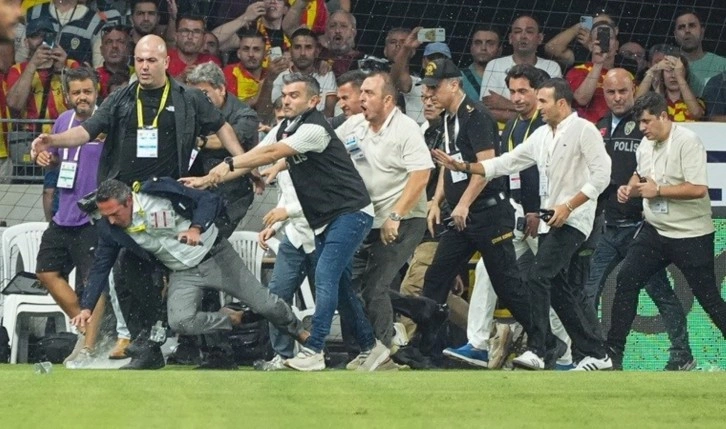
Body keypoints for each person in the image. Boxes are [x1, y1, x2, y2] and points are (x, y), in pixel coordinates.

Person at [30, 34, 246, 370]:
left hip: (171, 204)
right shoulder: (120, 99)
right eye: (139, 60)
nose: (144, 66)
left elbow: (222, 126)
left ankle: (217, 349)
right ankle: (147, 345)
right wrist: (52, 140)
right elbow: (87, 131)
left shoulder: (187, 97)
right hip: (130, 207)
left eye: (151, 60)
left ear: (165, 62)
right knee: (128, 274)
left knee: (193, 270)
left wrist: (243, 162)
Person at [181, 73, 390, 372]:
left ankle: (314, 350)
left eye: (295, 95)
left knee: (325, 276)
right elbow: (255, 157)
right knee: (340, 284)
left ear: (314, 101)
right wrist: (206, 179)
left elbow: (270, 153)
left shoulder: (315, 129)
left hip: (351, 212)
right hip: (322, 218)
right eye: (285, 95)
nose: (287, 100)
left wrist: (227, 164)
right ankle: (371, 347)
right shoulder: (284, 127)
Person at [433, 77, 613, 371]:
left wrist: (568, 206)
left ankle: (539, 350)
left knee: (538, 276)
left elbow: (602, 176)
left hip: (575, 219)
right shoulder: (542, 135)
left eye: (543, 101)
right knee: (559, 289)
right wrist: (464, 166)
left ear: (562, 103)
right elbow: (506, 163)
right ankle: (596, 353)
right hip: (550, 220)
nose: (538, 107)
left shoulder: (584, 130)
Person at [72, 178, 309, 370]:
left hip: (216, 257)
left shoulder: (157, 193)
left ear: (128, 201)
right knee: (181, 322)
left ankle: (303, 335)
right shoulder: (110, 228)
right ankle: (233, 319)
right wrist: (86, 307)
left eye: (115, 213)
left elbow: (209, 199)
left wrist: (196, 228)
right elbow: (101, 265)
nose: (112, 221)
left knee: (266, 305)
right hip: (182, 272)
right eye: (106, 216)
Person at [419, 58, 535, 363]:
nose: (429, 94)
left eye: (435, 87)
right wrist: (436, 200)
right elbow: (449, 163)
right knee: (435, 278)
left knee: (507, 285)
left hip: (487, 214)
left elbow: (485, 167)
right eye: (427, 88)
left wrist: (463, 203)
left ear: (454, 84)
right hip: (462, 216)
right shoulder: (448, 117)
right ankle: (425, 349)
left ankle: (545, 342)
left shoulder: (476, 115)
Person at [606, 91, 726, 369]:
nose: (642, 128)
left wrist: (658, 190)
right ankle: (612, 355)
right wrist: (629, 188)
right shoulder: (645, 144)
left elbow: (698, 189)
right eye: (640, 122)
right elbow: (640, 174)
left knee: (709, 299)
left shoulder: (688, 141)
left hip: (691, 234)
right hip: (655, 231)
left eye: (647, 121)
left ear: (663, 116)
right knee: (626, 280)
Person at [585, 69, 694, 370]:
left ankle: (682, 353)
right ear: (603, 93)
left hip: (640, 228)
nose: (617, 98)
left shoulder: (648, 128)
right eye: (611, 92)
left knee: (661, 294)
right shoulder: (599, 127)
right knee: (588, 293)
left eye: (623, 91)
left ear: (634, 89)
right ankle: (591, 352)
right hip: (608, 226)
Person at [335, 71, 431, 355]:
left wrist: (396, 215)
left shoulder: (406, 129)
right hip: (366, 219)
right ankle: (360, 350)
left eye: (369, 93)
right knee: (346, 282)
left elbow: (421, 175)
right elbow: (326, 146)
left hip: (405, 219)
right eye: (361, 92)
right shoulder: (355, 125)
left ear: (388, 100)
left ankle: (381, 350)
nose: (361, 98)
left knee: (375, 286)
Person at [32, 66, 106, 367]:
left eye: (87, 91)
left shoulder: (107, 122)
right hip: (64, 214)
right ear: (67, 95)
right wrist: (45, 158)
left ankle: (88, 349)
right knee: (45, 272)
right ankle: (88, 330)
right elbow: (56, 160)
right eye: (76, 92)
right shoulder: (63, 121)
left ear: (97, 91)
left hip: (94, 217)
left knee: (93, 283)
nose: (82, 97)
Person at [186, 62, 260, 237]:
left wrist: (195, 141)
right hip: (200, 189)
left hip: (234, 194)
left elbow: (224, 140)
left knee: (214, 241)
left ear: (220, 89)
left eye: (204, 94)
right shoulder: (194, 110)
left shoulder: (245, 115)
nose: (199, 100)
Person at [479, 15, 562, 124]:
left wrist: (505, 104)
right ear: (510, 38)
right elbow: (488, 111)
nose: (523, 36)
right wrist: (532, 110)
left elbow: (553, 109)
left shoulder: (552, 67)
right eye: (518, 31)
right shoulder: (494, 65)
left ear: (540, 38)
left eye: (529, 32)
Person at [6, 16, 79, 126]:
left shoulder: (71, 65)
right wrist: (32, 65)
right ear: (26, 42)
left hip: (65, 130)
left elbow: (80, 104)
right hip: (31, 134)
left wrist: (62, 70)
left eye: (47, 35)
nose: (42, 40)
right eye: (36, 36)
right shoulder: (17, 69)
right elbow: (14, 105)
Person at [24, 0, 122, 67]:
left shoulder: (95, 21)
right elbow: (21, 61)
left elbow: (99, 69)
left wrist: (67, 67)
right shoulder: (33, 13)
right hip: (34, 84)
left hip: (75, 87)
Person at [269, 28, 337, 117]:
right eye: (297, 47)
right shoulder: (280, 77)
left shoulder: (326, 74)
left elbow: (329, 113)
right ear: (290, 51)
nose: (302, 53)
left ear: (317, 51)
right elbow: (271, 112)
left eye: (308, 47)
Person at [565, 21, 619, 123]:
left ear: (617, 45)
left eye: (610, 38)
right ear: (590, 45)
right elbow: (581, 99)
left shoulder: (625, 76)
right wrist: (598, 64)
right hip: (586, 128)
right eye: (599, 37)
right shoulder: (578, 71)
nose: (605, 41)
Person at [672, 9, 726, 97]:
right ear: (675, 35)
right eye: (681, 27)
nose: (687, 30)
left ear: (702, 31)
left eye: (692, 25)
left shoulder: (723, 65)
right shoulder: (670, 67)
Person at [636, 54, 704, 122]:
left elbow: (696, 113)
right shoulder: (652, 104)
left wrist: (680, 77)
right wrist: (652, 71)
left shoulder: (696, 102)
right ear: (662, 75)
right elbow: (636, 106)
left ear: (685, 74)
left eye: (677, 70)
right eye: (669, 70)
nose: (673, 76)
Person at [167, 15, 222, 80]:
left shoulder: (211, 62)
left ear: (204, 38)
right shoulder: (164, 58)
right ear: (176, 36)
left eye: (196, 32)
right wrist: (181, 78)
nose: (190, 37)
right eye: (185, 31)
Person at [461, 26, 501, 101]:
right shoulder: (458, 79)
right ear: (471, 48)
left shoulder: (509, 78)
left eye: (490, 44)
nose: (483, 48)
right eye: (478, 43)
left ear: (499, 49)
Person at [96, 23, 133, 101]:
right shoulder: (95, 77)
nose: (114, 46)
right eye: (109, 42)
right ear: (101, 50)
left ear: (129, 48)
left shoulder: (136, 74)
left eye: (120, 41)